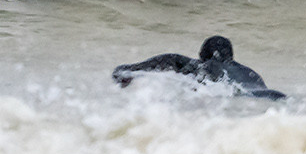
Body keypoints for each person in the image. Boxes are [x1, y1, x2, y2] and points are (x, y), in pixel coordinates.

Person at [112, 35, 286, 99]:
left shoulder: (208, 65)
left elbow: (171, 59)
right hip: (272, 95)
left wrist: (130, 70)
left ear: (204, 56)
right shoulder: (251, 73)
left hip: (242, 96)